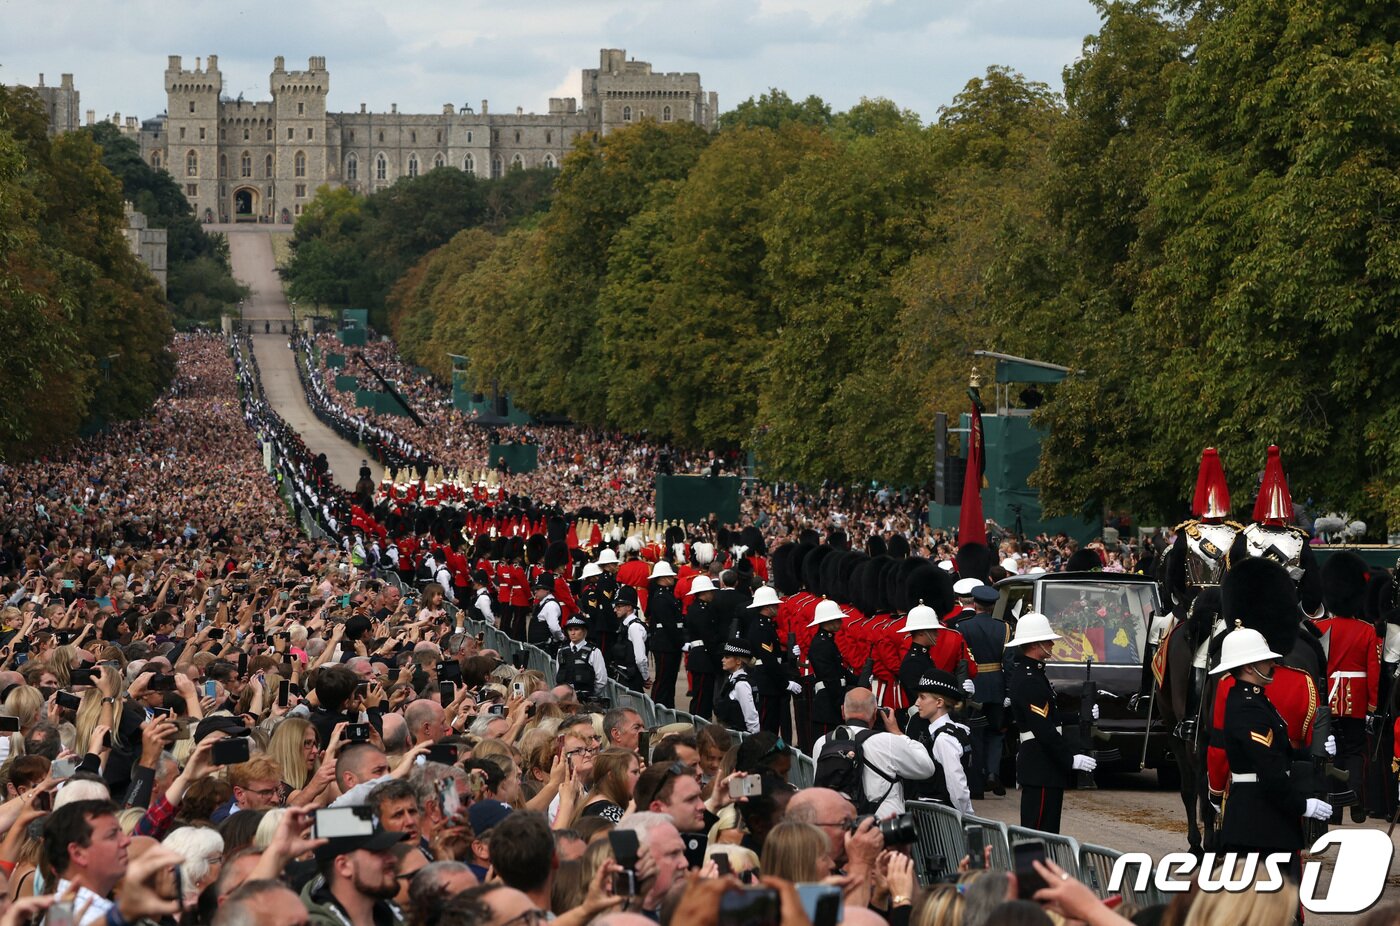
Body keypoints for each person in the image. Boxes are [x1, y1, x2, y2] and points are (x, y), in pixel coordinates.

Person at [1212, 625, 1330, 880]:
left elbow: (1281, 753)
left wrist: (1313, 752)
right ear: (1248, 667)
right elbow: (1269, 769)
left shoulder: (1257, 700)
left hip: (1267, 818)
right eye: (1264, 660)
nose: (1272, 664)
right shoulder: (1247, 708)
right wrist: (1301, 805)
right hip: (1257, 821)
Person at [1006, 613, 1095, 833]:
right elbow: (1043, 729)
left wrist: (1081, 716)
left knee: (1047, 832)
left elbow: (1050, 717)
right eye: (1047, 641)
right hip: (1041, 765)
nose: (1052, 644)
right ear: (1035, 645)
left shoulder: (1035, 674)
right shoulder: (1029, 680)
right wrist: (1069, 759)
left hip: (1044, 765)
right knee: (1039, 833)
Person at [1315, 551, 1379, 823]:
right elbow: (1373, 672)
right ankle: (1355, 798)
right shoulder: (1366, 630)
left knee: (1330, 753)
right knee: (1355, 751)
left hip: (1326, 698)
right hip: (1356, 700)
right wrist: (1372, 705)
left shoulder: (1319, 627)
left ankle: (1335, 808)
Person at [812, 687, 935, 818]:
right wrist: (897, 732)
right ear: (875, 713)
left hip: (840, 823)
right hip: (882, 825)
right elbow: (926, 768)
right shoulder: (887, 741)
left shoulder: (822, 743)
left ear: (843, 711)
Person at [302, 817, 408, 926]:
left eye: (388, 850)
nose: (393, 859)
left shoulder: (394, 916)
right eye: (378, 851)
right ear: (344, 866)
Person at [43, 799, 132, 926]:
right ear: (78, 854)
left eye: (120, 831)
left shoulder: (61, 909)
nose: (126, 841)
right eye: (112, 835)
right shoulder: (91, 918)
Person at [960, 584, 1010, 797]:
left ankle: (977, 781)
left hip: (975, 684)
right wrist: (1008, 690)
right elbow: (1009, 662)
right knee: (996, 733)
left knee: (976, 734)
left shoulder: (964, 627)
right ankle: (992, 772)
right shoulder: (1004, 628)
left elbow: (963, 660)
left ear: (975, 604)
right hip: (997, 683)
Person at [911, 670, 973, 814]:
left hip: (941, 817)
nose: (917, 703)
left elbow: (957, 788)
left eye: (922, 697)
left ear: (939, 702)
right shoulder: (954, 731)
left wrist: (966, 817)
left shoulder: (944, 739)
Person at [808, 599, 855, 741]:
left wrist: (858, 680)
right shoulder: (821, 644)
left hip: (833, 698)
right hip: (828, 702)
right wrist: (840, 702)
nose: (840, 622)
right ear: (828, 621)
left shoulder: (827, 641)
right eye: (837, 619)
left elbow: (838, 669)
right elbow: (829, 677)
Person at [682, 576, 721, 719]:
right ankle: (699, 722)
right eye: (710, 591)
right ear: (704, 593)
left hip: (702, 656)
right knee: (701, 698)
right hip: (703, 657)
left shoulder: (701, 608)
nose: (712, 594)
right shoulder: (700, 610)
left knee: (705, 696)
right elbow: (708, 636)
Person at [646, 561, 684, 708]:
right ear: (663, 578)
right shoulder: (661, 597)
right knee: (663, 679)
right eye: (669, 576)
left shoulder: (666, 594)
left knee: (669, 680)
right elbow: (668, 623)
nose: (673, 578)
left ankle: (668, 707)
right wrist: (680, 641)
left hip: (669, 644)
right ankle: (657, 708)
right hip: (665, 644)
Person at [556, 615, 608, 703]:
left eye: (576, 629)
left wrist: (590, 695)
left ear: (584, 631)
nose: (573, 633)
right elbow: (558, 673)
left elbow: (601, 680)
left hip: (585, 701)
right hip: (565, 701)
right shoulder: (561, 651)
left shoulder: (594, 651)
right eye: (570, 630)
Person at [714, 639, 761, 734]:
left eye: (727, 657)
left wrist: (753, 740)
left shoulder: (741, 685)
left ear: (738, 661)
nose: (722, 660)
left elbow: (751, 718)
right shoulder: (732, 679)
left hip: (739, 738)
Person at [610, 587, 648, 692]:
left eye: (618, 606)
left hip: (631, 679)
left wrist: (645, 677)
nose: (615, 609)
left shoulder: (634, 627)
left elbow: (640, 659)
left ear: (629, 607)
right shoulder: (624, 625)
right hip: (623, 677)